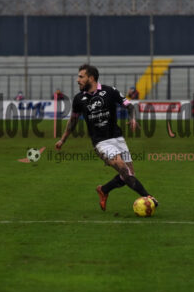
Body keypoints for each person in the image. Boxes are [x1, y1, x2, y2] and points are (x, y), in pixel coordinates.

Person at [55, 64, 158, 211]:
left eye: (81, 77)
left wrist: (133, 118)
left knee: (129, 175)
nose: (78, 80)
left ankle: (104, 190)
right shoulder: (79, 99)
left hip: (118, 138)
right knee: (124, 170)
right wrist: (62, 139)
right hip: (101, 143)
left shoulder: (109, 91)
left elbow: (129, 106)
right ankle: (149, 197)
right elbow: (73, 120)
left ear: (91, 78)